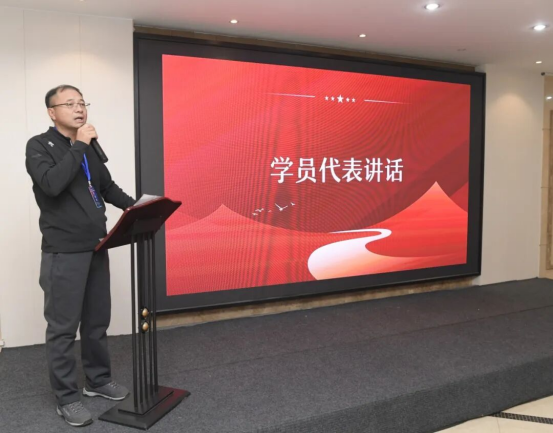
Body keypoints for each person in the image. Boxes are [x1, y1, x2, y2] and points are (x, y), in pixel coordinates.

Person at [25, 85, 136, 427]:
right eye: (70, 104)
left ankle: (98, 380)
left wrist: (136, 206)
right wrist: (79, 146)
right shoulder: (39, 146)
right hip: (64, 252)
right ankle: (67, 398)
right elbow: (52, 184)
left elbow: (105, 187)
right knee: (63, 329)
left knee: (96, 321)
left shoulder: (87, 149)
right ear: (52, 112)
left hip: (96, 246)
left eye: (82, 103)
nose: (79, 109)